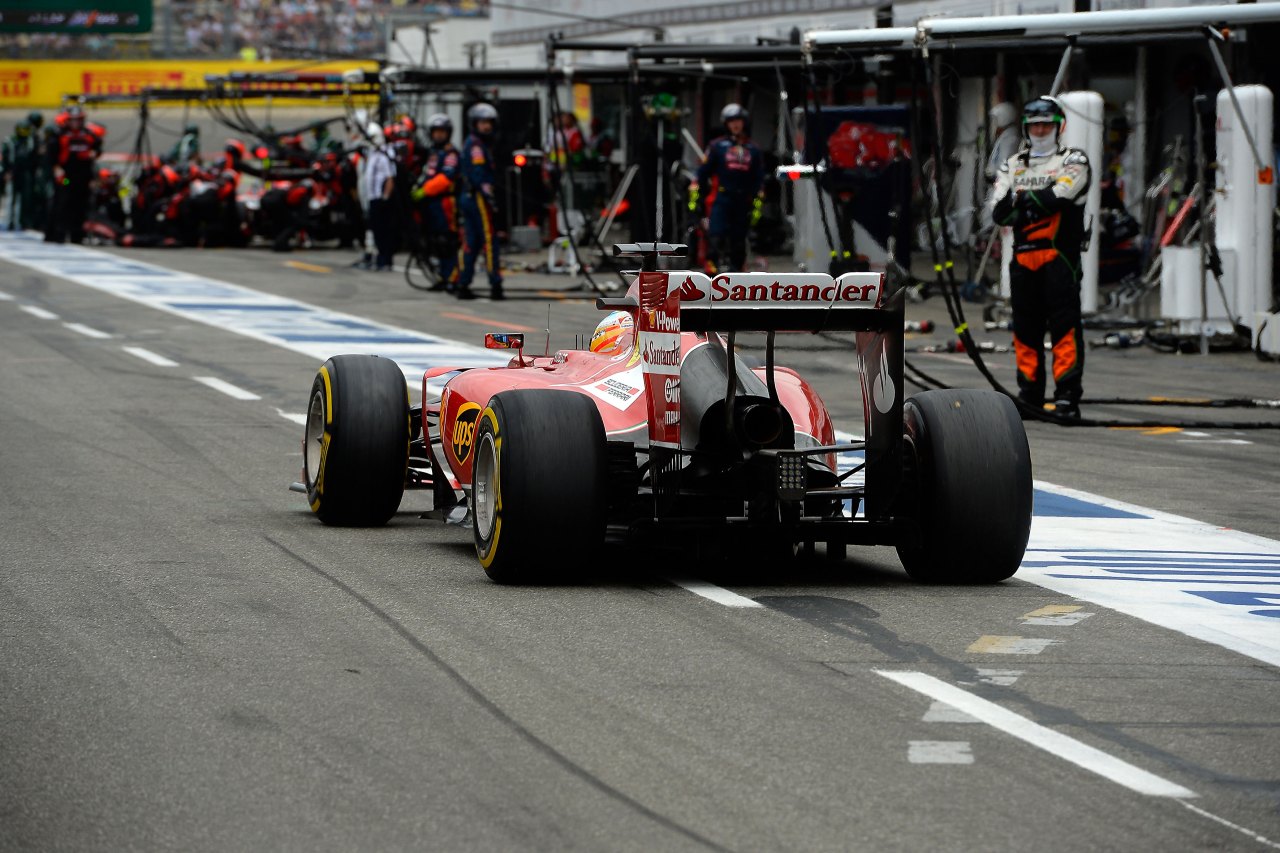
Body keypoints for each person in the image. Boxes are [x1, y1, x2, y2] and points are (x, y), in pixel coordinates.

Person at [989, 96, 1091, 419]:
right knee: (1025, 332)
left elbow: (1062, 195)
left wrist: (1022, 199)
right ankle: (1030, 394)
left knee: (1065, 330)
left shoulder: (1074, 159)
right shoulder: (1014, 163)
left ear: (1059, 126)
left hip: (1060, 259)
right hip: (1023, 262)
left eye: (1047, 124)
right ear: (1026, 128)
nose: (1041, 130)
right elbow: (999, 212)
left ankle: (1067, 396)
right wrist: (1030, 201)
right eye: (1035, 125)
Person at [689, 103, 764, 273]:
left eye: (738, 120)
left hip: (743, 200)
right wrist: (695, 196)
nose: (735, 125)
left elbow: (758, 177)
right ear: (726, 124)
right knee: (717, 234)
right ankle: (711, 272)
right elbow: (702, 173)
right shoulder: (717, 146)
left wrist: (758, 198)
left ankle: (736, 273)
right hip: (722, 198)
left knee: (739, 239)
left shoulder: (753, 149)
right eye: (731, 121)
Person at [456, 103, 504, 300]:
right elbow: (478, 176)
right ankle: (495, 284)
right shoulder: (476, 146)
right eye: (483, 122)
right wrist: (489, 197)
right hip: (477, 197)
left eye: (489, 123)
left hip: (469, 196)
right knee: (489, 241)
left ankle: (462, 283)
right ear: (474, 123)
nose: (487, 127)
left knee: (472, 242)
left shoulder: (476, 143)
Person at [410, 113, 462, 291]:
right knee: (434, 243)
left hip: (445, 203)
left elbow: (446, 178)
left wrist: (425, 190)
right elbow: (427, 174)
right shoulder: (433, 153)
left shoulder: (451, 154)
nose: (439, 135)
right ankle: (441, 277)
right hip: (430, 204)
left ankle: (452, 278)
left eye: (442, 132)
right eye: (436, 132)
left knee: (447, 241)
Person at [45, 105, 103, 244]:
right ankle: (56, 234)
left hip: (83, 177)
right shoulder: (59, 135)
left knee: (81, 205)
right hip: (65, 178)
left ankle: (77, 235)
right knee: (62, 203)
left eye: (78, 120)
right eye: (73, 120)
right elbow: (51, 156)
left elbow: (97, 147)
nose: (76, 123)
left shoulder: (89, 134)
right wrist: (56, 169)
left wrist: (95, 153)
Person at [361, 121, 397, 271]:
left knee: (384, 232)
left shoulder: (384, 154)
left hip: (380, 198)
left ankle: (386, 260)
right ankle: (380, 258)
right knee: (376, 230)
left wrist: (385, 197)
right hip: (373, 197)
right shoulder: (373, 154)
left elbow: (389, 177)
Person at [2, 121, 38, 230]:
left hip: (25, 173)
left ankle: (21, 221)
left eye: (26, 130)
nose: (24, 133)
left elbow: (34, 158)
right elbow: (4, 158)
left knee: (24, 199)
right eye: (22, 130)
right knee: (10, 198)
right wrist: (6, 172)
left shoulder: (30, 142)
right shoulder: (9, 141)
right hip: (12, 172)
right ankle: (9, 221)